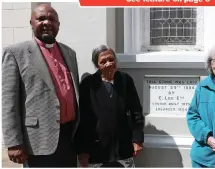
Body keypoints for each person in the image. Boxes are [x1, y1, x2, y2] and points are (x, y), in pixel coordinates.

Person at [2, 3, 80, 167]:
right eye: (41, 18)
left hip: (69, 138)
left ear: (58, 25)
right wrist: (14, 142)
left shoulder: (69, 53)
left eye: (52, 19)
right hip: (38, 140)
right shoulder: (16, 53)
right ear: (31, 23)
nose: (47, 23)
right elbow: (9, 101)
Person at [74, 45, 145, 167]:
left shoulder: (125, 80)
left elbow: (136, 111)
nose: (108, 63)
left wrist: (137, 139)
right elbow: (83, 119)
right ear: (97, 65)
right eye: (103, 61)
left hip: (123, 147)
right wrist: (83, 151)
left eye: (111, 59)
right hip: (97, 149)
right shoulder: (88, 84)